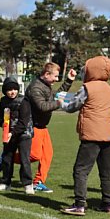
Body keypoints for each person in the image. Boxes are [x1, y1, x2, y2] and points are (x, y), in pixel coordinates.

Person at [58, 57, 110, 216]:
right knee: (106, 172)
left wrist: (61, 103)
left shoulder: (88, 87)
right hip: (108, 136)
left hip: (91, 135)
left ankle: (79, 204)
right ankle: (108, 203)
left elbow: (72, 106)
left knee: (81, 170)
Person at [26, 62, 76, 193]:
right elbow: (42, 107)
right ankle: (7, 157)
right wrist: (58, 104)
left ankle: (38, 182)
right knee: (34, 156)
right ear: (46, 74)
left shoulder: (46, 85)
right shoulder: (35, 88)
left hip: (42, 126)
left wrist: (69, 81)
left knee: (47, 154)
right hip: (33, 126)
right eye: (55, 76)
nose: (57, 79)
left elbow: (57, 96)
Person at [0, 77, 35, 194]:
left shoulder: (23, 101)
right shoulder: (4, 101)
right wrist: (4, 126)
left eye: (15, 89)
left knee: (24, 158)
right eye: (9, 90)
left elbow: (24, 122)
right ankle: (6, 183)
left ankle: (28, 184)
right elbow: (1, 116)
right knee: (7, 157)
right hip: (9, 134)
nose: (12, 92)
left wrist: (12, 132)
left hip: (24, 133)